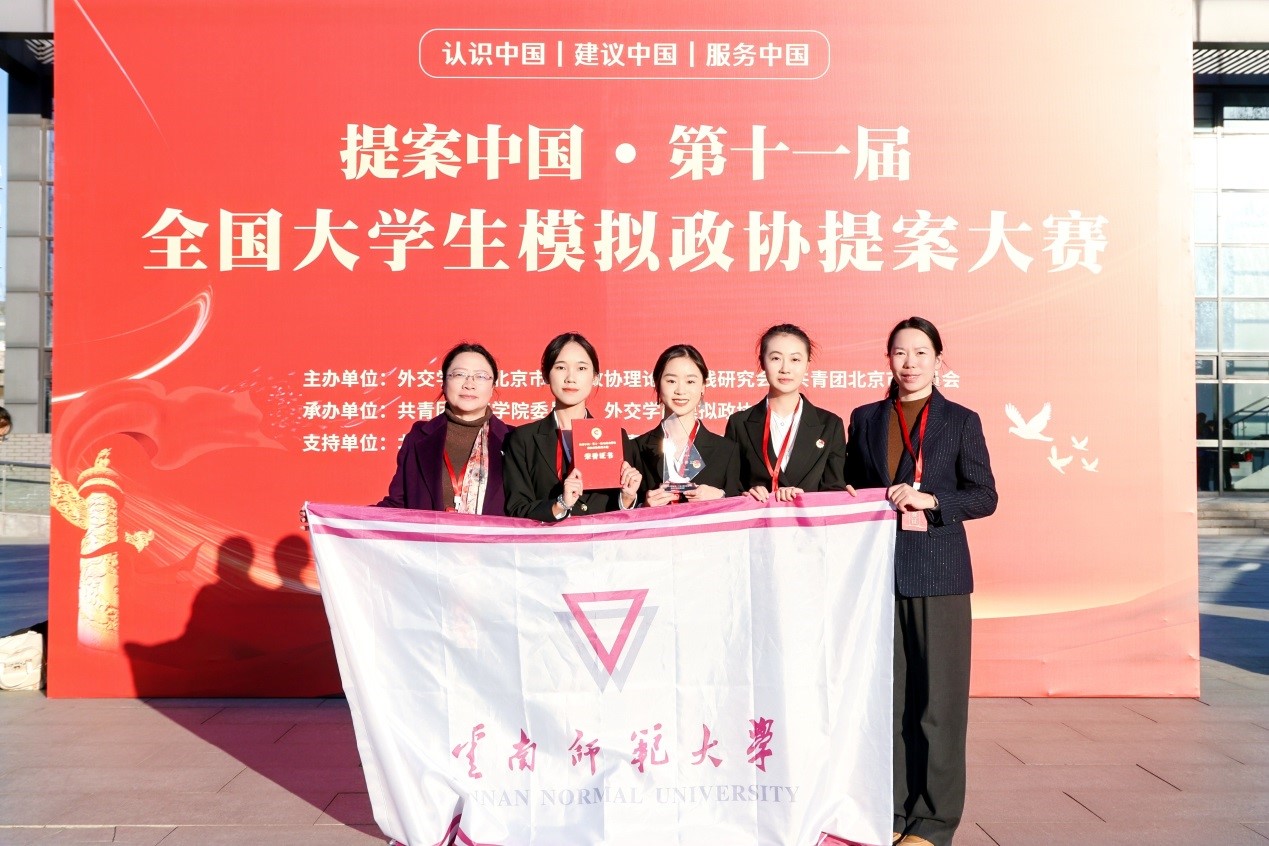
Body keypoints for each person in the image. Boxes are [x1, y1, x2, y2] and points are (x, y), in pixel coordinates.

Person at [844, 316, 997, 846]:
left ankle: (933, 822)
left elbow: (985, 495)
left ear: (938, 359)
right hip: (879, 573)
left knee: (939, 705)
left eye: (920, 353)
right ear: (887, 358)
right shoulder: (865, 418)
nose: (909, 363)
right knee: (888, 702)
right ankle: (890, 810)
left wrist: (932, 499)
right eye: (899, 353)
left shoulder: (960, 420)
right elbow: (854, 486)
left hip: (940, 573)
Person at [503, 332, 641, 521]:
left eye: (581, 368)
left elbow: (624, 514)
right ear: (545, 375)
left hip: (603, 539)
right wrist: (559, 505)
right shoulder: (523, 439)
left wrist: (627, 498)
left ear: (595, 377)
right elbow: (517, 509)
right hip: (548, 539)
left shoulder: (616, 436)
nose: (570, 378)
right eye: (560, 367)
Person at [375, 342, 512, 514]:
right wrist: (346, 521)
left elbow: (526, 509)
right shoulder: (418, 437)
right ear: (444, 383)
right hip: (429, 533)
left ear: (493, 387)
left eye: (481, 376)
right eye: (459, 374)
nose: (469, 384)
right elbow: (398, 505)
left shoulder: (514, 441)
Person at [724, 324, 847, 501]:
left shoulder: (830, 425)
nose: (785, 369)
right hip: (760, 517)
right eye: (775, 358)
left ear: (807, 364)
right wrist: (747, 494)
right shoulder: (739, 424)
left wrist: (804, 499)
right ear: (762, 362)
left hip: (807, 518)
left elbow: (835, 489)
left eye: (795, 359)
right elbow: (730, 487)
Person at [635, 344, 741, 506]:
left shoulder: (726, 450)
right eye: (671, 381)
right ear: (657, 384)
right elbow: (615, 510)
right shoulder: (636, 449)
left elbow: (741, 507)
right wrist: (643, 506)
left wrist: (722, 497)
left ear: (703, 387)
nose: (680, 390)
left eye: (690, 381)